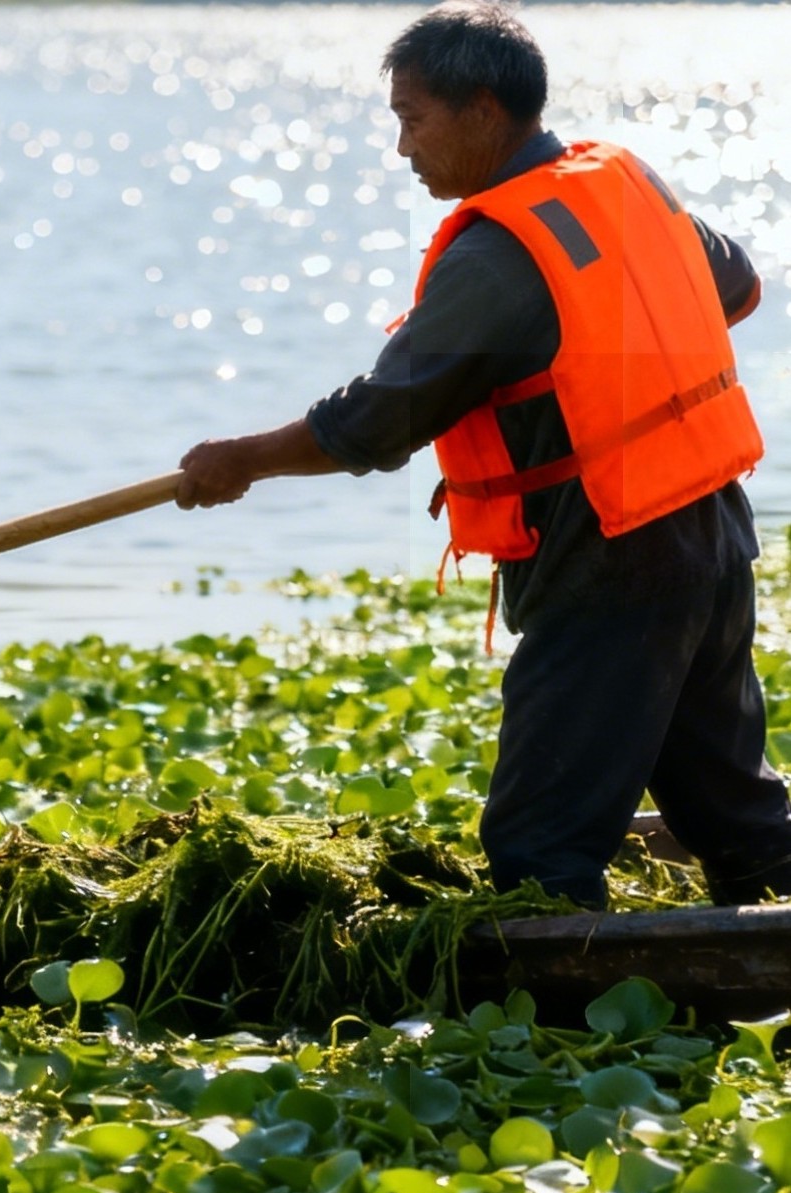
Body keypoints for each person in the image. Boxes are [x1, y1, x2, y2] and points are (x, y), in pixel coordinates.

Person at [175, 0, 791, 910]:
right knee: (737, 814)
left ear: (483, 112)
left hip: (610, 554)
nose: (402, 149)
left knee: (539, 844)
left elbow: (382, 420)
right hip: (708, 532)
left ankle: (564, 1031)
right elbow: (734, 283)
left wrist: (245, 458)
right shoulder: (623, 180)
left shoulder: (504, 252)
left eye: (411, 120)